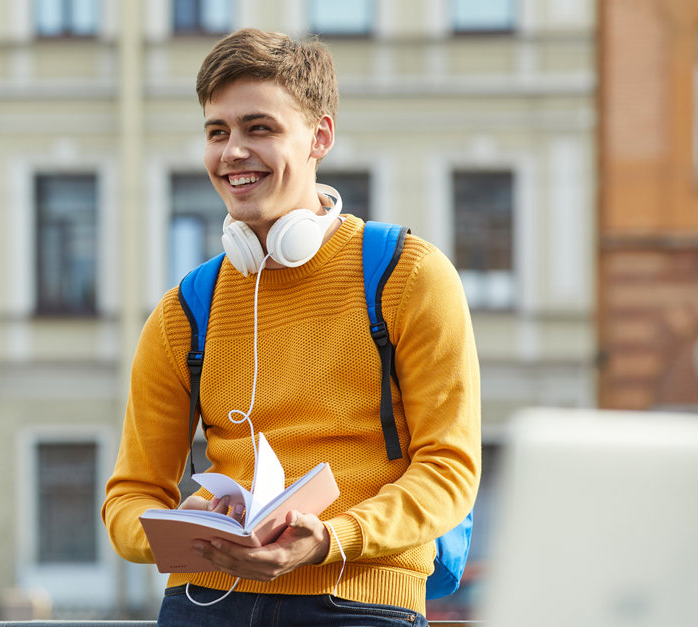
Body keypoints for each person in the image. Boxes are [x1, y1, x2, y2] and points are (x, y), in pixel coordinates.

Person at [102, 28, 480, 626]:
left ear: (319, 137)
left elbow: (449, 470)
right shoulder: (184, 311)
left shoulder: (410, 276)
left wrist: (331, 538)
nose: (231, 152)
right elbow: (128, 499)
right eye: (216, 132)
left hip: (360, 602)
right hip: (204, 603)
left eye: (259, 128)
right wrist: (197, 535)